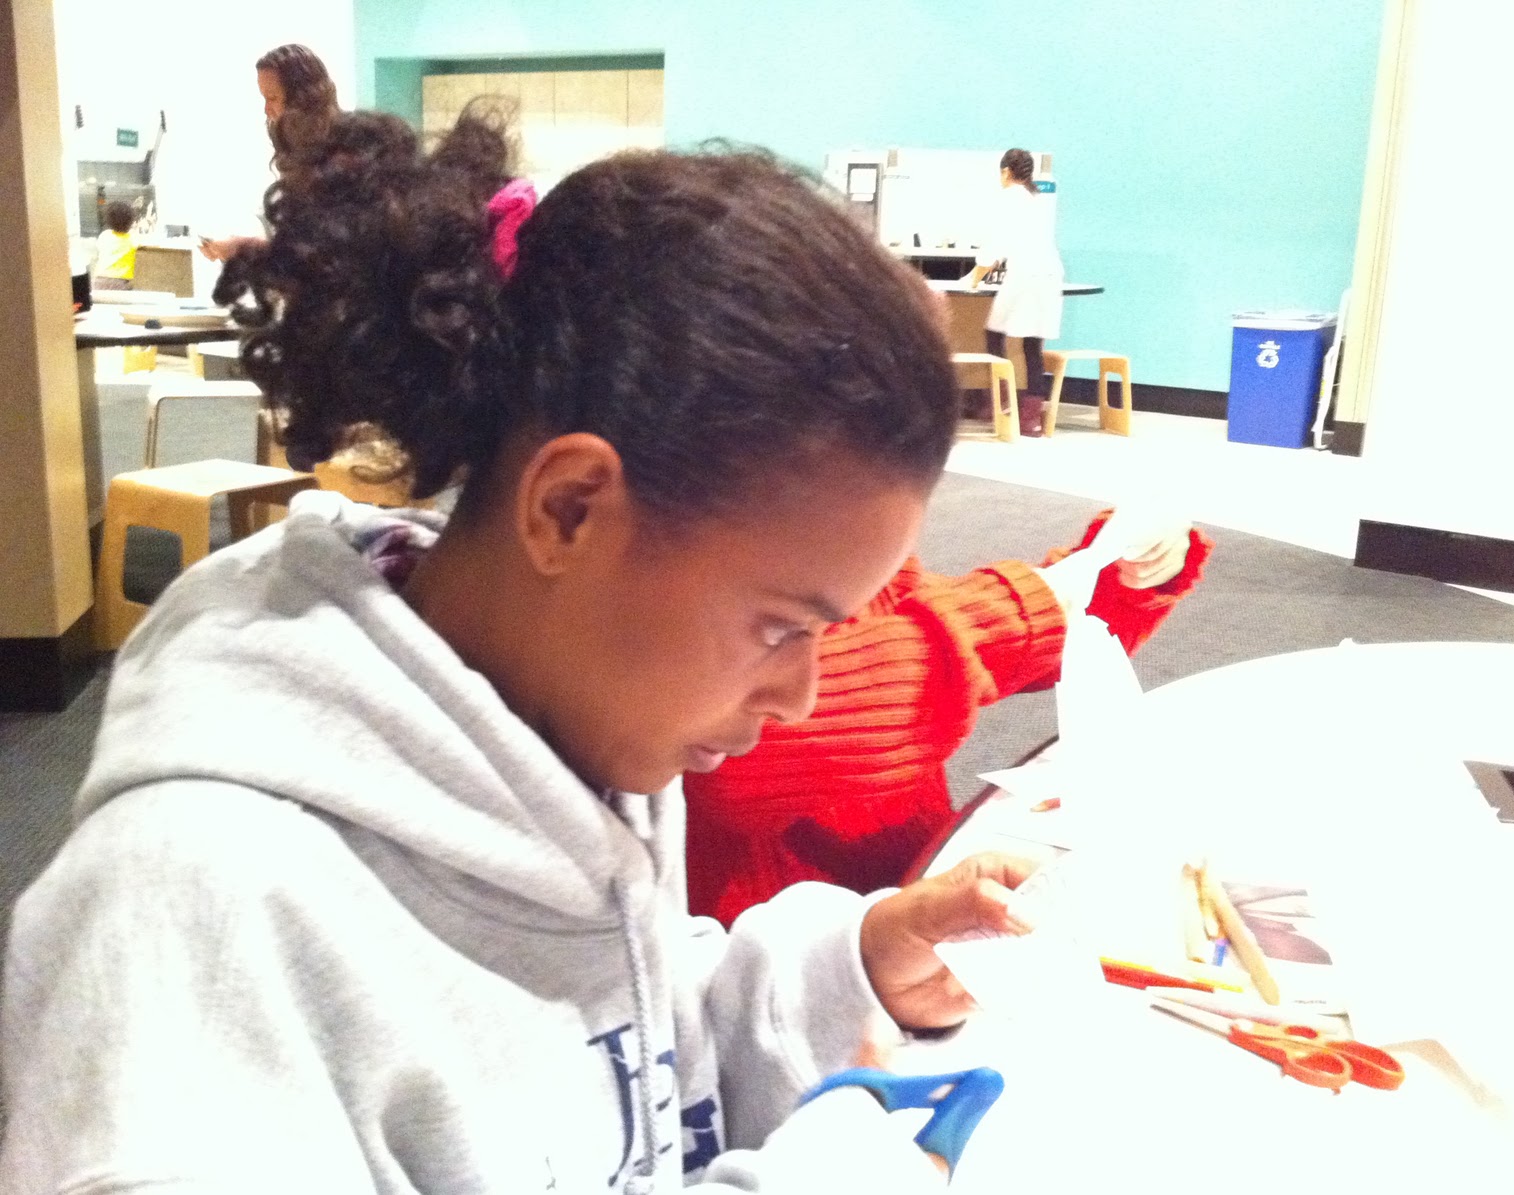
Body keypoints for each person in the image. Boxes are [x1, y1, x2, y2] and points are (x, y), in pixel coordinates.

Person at [0, 110, 1035, 1191]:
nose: (802, 695)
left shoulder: (573, 728)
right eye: (782, 626)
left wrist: (848, 971)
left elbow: (628, 1049)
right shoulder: (195, 928)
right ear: (571, 509)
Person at [685, 513, 1213, 925]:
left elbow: (984, 651)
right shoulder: (706, 572)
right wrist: (1024, 611)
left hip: (913, 875)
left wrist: (1111, 576)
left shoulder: (837, 536)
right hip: (774, 940)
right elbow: (752, 743)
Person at [199, 43, 339, 263]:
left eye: (272, 98)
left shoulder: (338, 158)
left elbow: (324, 253)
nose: (266, 110)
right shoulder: (293, 149)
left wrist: (249, 249)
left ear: (302, 98)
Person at [967, 148, 1064, 436]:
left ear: (1006, 171)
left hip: (1026, 276)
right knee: (1032, 346)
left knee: (994, 334)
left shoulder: (1009, 197)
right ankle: (1031, 418)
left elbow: (994, 248)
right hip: (1049, 275)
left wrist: (973, 280)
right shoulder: (1037, 198)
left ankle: (999, 403)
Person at [92, 200, 137, 290]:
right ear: (131, 221)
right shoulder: (133, 238)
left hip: (99, 278)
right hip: (120, 281)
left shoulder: (104, 235)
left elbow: (99, 248)